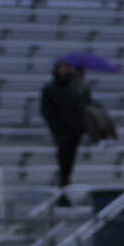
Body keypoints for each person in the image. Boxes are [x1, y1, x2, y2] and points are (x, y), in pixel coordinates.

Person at [40, 60, 85, 205]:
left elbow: (83, 104)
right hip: (61, 133)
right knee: (63, 164)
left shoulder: (74, 87)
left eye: (67, 68)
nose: (65, 71)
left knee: (68, 165)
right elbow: (47, 111)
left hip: (74, 133)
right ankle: (62, 193)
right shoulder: (50, 89)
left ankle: (64, 192)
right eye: (62, 68)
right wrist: (56, 129)